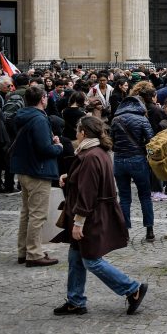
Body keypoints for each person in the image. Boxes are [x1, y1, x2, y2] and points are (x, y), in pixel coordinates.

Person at [51, 116, 147, 316]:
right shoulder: (96, 152)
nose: (75, 135)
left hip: (92, 216)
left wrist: (78, 223)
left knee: (91, 260)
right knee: (76, 257)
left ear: (83, 133)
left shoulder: (90, 156)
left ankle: (132, 289)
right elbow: (92, 179)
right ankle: (75, 300)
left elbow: (88, 193)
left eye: (77, 131)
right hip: (97, 212)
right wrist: (70, 177)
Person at [11, 86, 64, 266]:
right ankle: (34, 254)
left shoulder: (24, 115)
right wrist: (58, 147)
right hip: (38, 171)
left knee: (27, 213)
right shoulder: (39, 119)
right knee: (37, 215)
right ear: (42, 99)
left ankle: (23, 251)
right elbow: (44, 149)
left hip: (25, 169)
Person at [111, 95, 156, 242]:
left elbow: (112, 140)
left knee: (124, 198)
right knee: (145, 195)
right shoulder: (143, 119)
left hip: (119, 160)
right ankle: (149, 230)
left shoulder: (115, 120)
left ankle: (125, 231)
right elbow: (151, 141)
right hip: (137, 159)